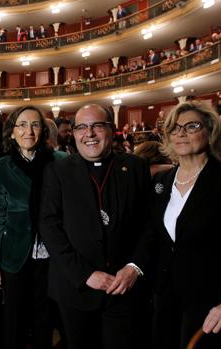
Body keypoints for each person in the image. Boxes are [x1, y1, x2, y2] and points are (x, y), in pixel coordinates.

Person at [149, 101, 221, 349]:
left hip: (211, 302)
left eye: (191, 126)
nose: (181, 133)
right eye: (175, 128)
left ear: (209, 131)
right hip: (164, 296)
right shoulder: (161, 181)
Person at [40, 104, 152, 349]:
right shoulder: (57, 170)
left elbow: (150, 224)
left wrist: (134, 267)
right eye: (81, 127)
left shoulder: (136, 167)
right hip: (75, 289)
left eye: (97, 126)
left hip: (124, 289)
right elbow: (49, 227)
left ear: (111, 130)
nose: (89, 133)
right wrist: (85, 274)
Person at [0, 106, 65, 349]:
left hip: (51, 254)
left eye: (35, 124)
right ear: (11, 132)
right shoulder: (0, 166)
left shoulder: (60, 162)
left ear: (43, 131)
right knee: (14, 321)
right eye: (22, 125)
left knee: (46, 320)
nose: (28, 131)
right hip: (14, 253)